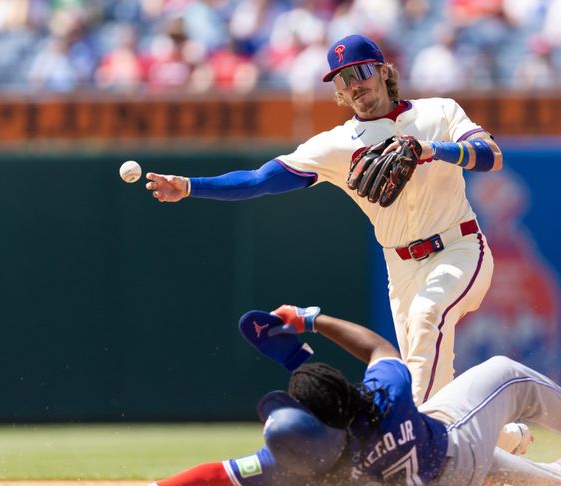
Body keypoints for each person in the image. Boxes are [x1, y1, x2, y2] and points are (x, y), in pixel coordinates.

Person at [144, 34, 503, 410]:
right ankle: (514, 444)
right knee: (430, 386)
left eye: (360, 72)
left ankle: (413, 446)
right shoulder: (338, 144)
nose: (353, 85)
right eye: (342, 80)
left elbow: (490, 155)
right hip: (401, 268)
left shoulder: (439, 112)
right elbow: (259, 180)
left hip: (460, 246)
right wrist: (189, 186)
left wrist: (431, 149)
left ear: (383, 71)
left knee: (427, 317)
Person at [101, 305, 561, 486]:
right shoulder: (387, 401)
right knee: (505, 375)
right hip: (454, 457)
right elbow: (380, 348)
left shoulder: (291, 470)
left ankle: (554, 479)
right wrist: (312, 319)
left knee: (443, 444)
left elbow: (213, 476)